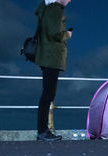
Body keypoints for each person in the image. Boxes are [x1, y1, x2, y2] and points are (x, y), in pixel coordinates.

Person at [34, 0, 72, 141]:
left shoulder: (46, 9)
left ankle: (43, 131)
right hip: (52, 57)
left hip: (46, 55)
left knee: (47, 94)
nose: (69, 0)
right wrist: (67, 34)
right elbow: (55, 33)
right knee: (48, 95)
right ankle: (43, 131)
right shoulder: (55, 9)